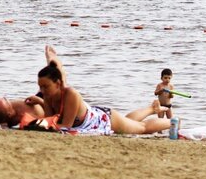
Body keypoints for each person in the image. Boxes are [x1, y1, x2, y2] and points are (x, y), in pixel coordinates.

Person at [29, 49, 171, 135]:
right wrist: (40, 102)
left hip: (105, 120)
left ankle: (173, 122)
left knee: (142, 128)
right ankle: (152, 108)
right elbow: (50, 121)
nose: (42, 90)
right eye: (40, 87)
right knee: (129, 121)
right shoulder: (48, 96)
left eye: (45, 86)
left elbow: (66, 126)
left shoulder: (70, 94)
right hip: (95, 116)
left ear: (58, 84)